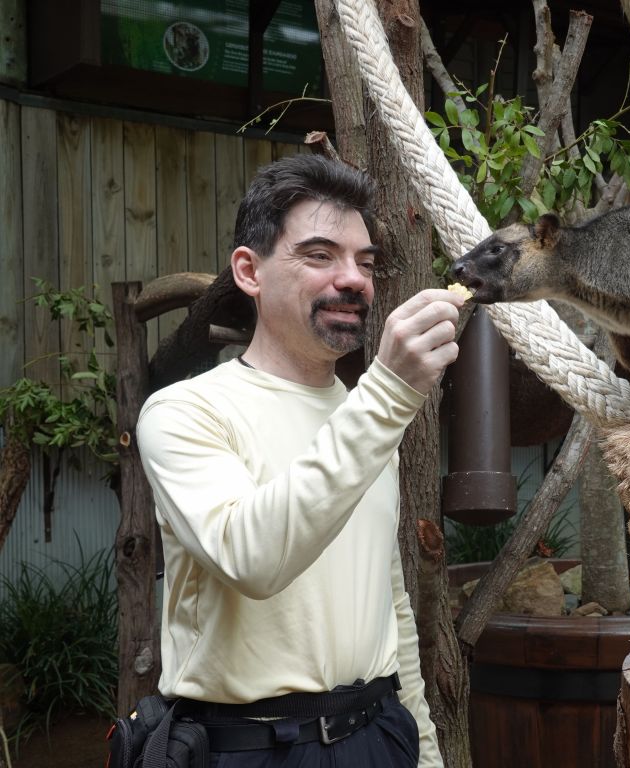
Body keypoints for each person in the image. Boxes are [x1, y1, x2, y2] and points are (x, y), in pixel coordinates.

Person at [136, 153, 464, 767]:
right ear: (249, 271)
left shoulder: (363, 416)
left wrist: (423, 749)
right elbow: (251, 558)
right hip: (248, 746)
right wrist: (388, 393)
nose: (354, 280)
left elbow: (387, 600)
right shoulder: (184, 413)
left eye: (364, 263)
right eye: (320, 255)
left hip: (378, 733)